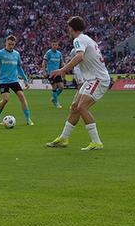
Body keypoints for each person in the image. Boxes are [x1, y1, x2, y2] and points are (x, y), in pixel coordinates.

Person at [46, 16, 110, 150]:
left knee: (81, 107)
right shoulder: (86, 39)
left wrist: (62, 70)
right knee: (75, 107)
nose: (67, 30)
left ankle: (97, 142)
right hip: (91, 79)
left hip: (98, 79)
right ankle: (64, 138)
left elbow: (80, 56)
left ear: (71, 28)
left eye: (68, 27)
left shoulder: (78, 40)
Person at [0, 35, 32, 125]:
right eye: (9, 44)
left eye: (13, 44)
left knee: (22, 96)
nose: (11, 46)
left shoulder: (17, 54)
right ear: (5, 43)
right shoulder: (0, 53)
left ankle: (28, 119)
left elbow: (19, 68)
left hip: (14, 80)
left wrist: (25, 80)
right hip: (4, 81)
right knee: (5, 99)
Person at [43, 41, 65, 108]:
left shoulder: (59, 53)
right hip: (51, 73)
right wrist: (44, 71)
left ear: (58, 45)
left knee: (61, 87)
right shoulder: (48, 53)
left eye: (56, 45)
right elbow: (44, 62)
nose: (55, 46)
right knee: (54, 87)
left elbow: (62, 63)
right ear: (51, 45)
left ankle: (53, 98)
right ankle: (56, 102)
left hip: (58, 72)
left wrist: (64, 69)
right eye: (53, 45)